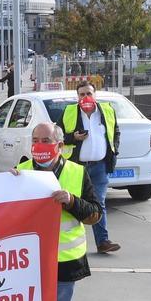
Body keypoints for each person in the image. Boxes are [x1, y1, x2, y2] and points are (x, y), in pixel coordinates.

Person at [10, 122, 101, 301]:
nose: (39, 146)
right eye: (35, 140)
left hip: (65, 260)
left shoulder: (77, 173)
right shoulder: (21, 173)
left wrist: (72, 201)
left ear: (60, 145)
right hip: (29, 261)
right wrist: (7, 186)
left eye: (45, 140)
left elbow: (95, 214)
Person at [61, 81, 121, 253]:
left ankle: (103, 242)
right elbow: (56, 135)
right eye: (82, 94)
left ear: (95, 95)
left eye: (89, 93)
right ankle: (69, 242)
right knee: (72, 204)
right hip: (76, 168)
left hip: (100, 167)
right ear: (77, 97)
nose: (86, 97)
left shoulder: (107, 110)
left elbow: (116, 131)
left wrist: (115, 149)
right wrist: (73, 137)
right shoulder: (69, 112)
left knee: (99, 204)